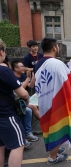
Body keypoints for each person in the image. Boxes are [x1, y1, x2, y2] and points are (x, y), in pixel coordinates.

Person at [34, 37, 71, 165]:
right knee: (58, 127)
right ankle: (52, 157)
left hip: (43, 100)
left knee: (49, 127)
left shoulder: (38, 63)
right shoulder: (58, 64)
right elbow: (68, 83)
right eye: (57, 46)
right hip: (57, 101)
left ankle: (53, 150)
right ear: (54, 48)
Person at [0, 39, 30, 167]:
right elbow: (23, 93)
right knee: (18, 145)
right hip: (5, 114)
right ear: (1, 52)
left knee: (0, 146)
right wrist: (27, 98)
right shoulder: (4, 71)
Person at [11, 61, 40, 142]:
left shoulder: (23, 76)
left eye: (23, 66)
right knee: (29, 109)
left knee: (41, 101)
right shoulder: (12, 77)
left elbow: (30, 85)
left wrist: (33, 76)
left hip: (25, 98)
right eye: (21, 66)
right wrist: (27, 78)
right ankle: (27, 133)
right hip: (17, 101)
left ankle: (45, 123)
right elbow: (20, 88)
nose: (23, 68)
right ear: (15, 68)